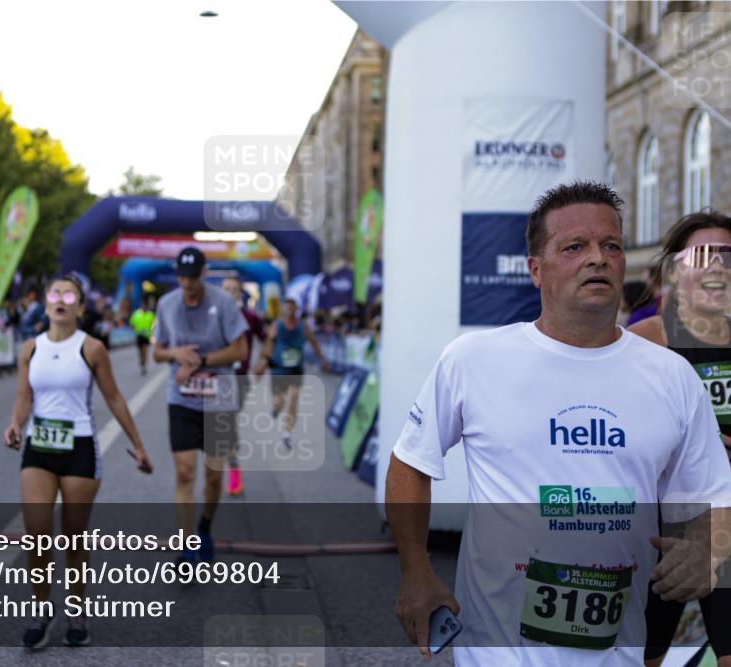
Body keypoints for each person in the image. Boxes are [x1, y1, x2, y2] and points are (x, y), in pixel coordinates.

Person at [386, 181, 731, 666]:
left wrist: (705, 551)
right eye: (575, 247)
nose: (598, 258)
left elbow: (715, 495)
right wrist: (416, 571)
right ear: (536, 270)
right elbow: (410, 462)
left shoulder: (671, 375)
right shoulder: (473, 360)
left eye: (610, 245)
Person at [3, 274, 153, 650]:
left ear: (80, 308)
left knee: (74, 536)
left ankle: (76, 611)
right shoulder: (29, 349)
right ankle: (41, 611)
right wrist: (15, 424)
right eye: (55, 292)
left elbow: (115, 398)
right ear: (47, 302)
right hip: (39, 448)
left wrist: (139, 444)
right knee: (36, 533)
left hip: (80, 448)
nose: (60, 298)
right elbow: (24, 397)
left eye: (69, 294)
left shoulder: (92, 349)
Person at [627, 211, 731, 667]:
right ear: (677, 268)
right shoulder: (643, 341)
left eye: (727, 256)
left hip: (726, 525)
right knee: (642, 658)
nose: (716, 266)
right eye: (702, 255)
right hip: (657, 527)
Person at [153, 247, 248, 563]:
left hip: (218, 398)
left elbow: (240, 351)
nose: (187, 283)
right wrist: (175, 354)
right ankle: (185, 545)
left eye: (192, 277)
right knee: (184, 473)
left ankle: (205, 527)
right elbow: (157, 352)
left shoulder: (222, 302)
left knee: (213, 476)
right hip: (181, 398)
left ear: (204, 273)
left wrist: (202, 360)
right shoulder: (166, 304)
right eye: (182, 276)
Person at [253, 297, 330, 450]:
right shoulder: (277, 325)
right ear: (282, 310)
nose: (289, 310)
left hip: (296, 369)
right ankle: (276, 409)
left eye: (291, 307)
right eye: (286, 307)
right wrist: (262, 363)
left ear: (296, 310)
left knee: (293, 399)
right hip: (278, 368)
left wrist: (322, 359)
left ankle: (286, 434)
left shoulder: (303, 326)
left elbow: (314, 342)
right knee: (279, 401)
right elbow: (268, 344)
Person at [221, 276, 267, 495]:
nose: (229, 293)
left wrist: (262, 361)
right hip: (214, 379)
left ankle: (233, 470)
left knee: (227, 422)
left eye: (233, 290)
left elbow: (266, 338)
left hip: (239, 378)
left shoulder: (249, 318)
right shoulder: (212, 316)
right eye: (225, 289)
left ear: (240, 294)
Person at [130, 297, 156, 376]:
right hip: (139, 335)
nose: (143, 307)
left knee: (145, 351)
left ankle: (144, 365)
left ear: (146, 307)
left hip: (147, 335)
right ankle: (141, 360)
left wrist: (152, 330)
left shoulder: (150, 315)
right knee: (140, 352)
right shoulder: (136, 314)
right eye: (142, 306)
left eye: (144, 306)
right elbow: (132, 323)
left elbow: (155, 323)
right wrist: (134, 330)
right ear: (140, 307)